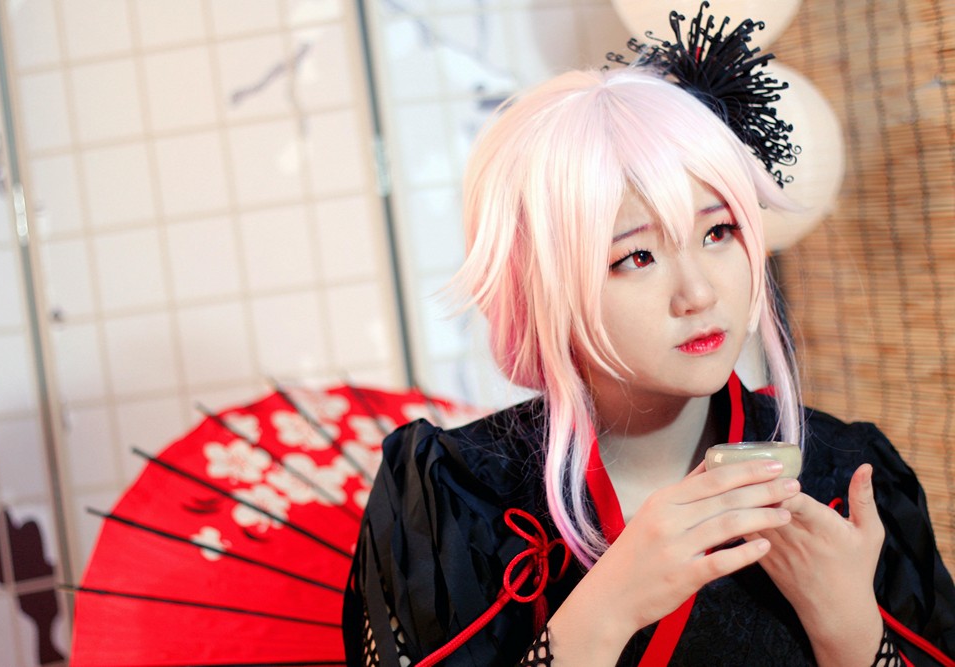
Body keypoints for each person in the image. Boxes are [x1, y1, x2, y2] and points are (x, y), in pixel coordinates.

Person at [342, 8, 955, 666]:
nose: (699, 293)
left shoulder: (847, 473)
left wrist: (850, 629)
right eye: (636, 256)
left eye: (718, 232)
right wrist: (606, 609)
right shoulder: (451, 501)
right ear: (546, 287)